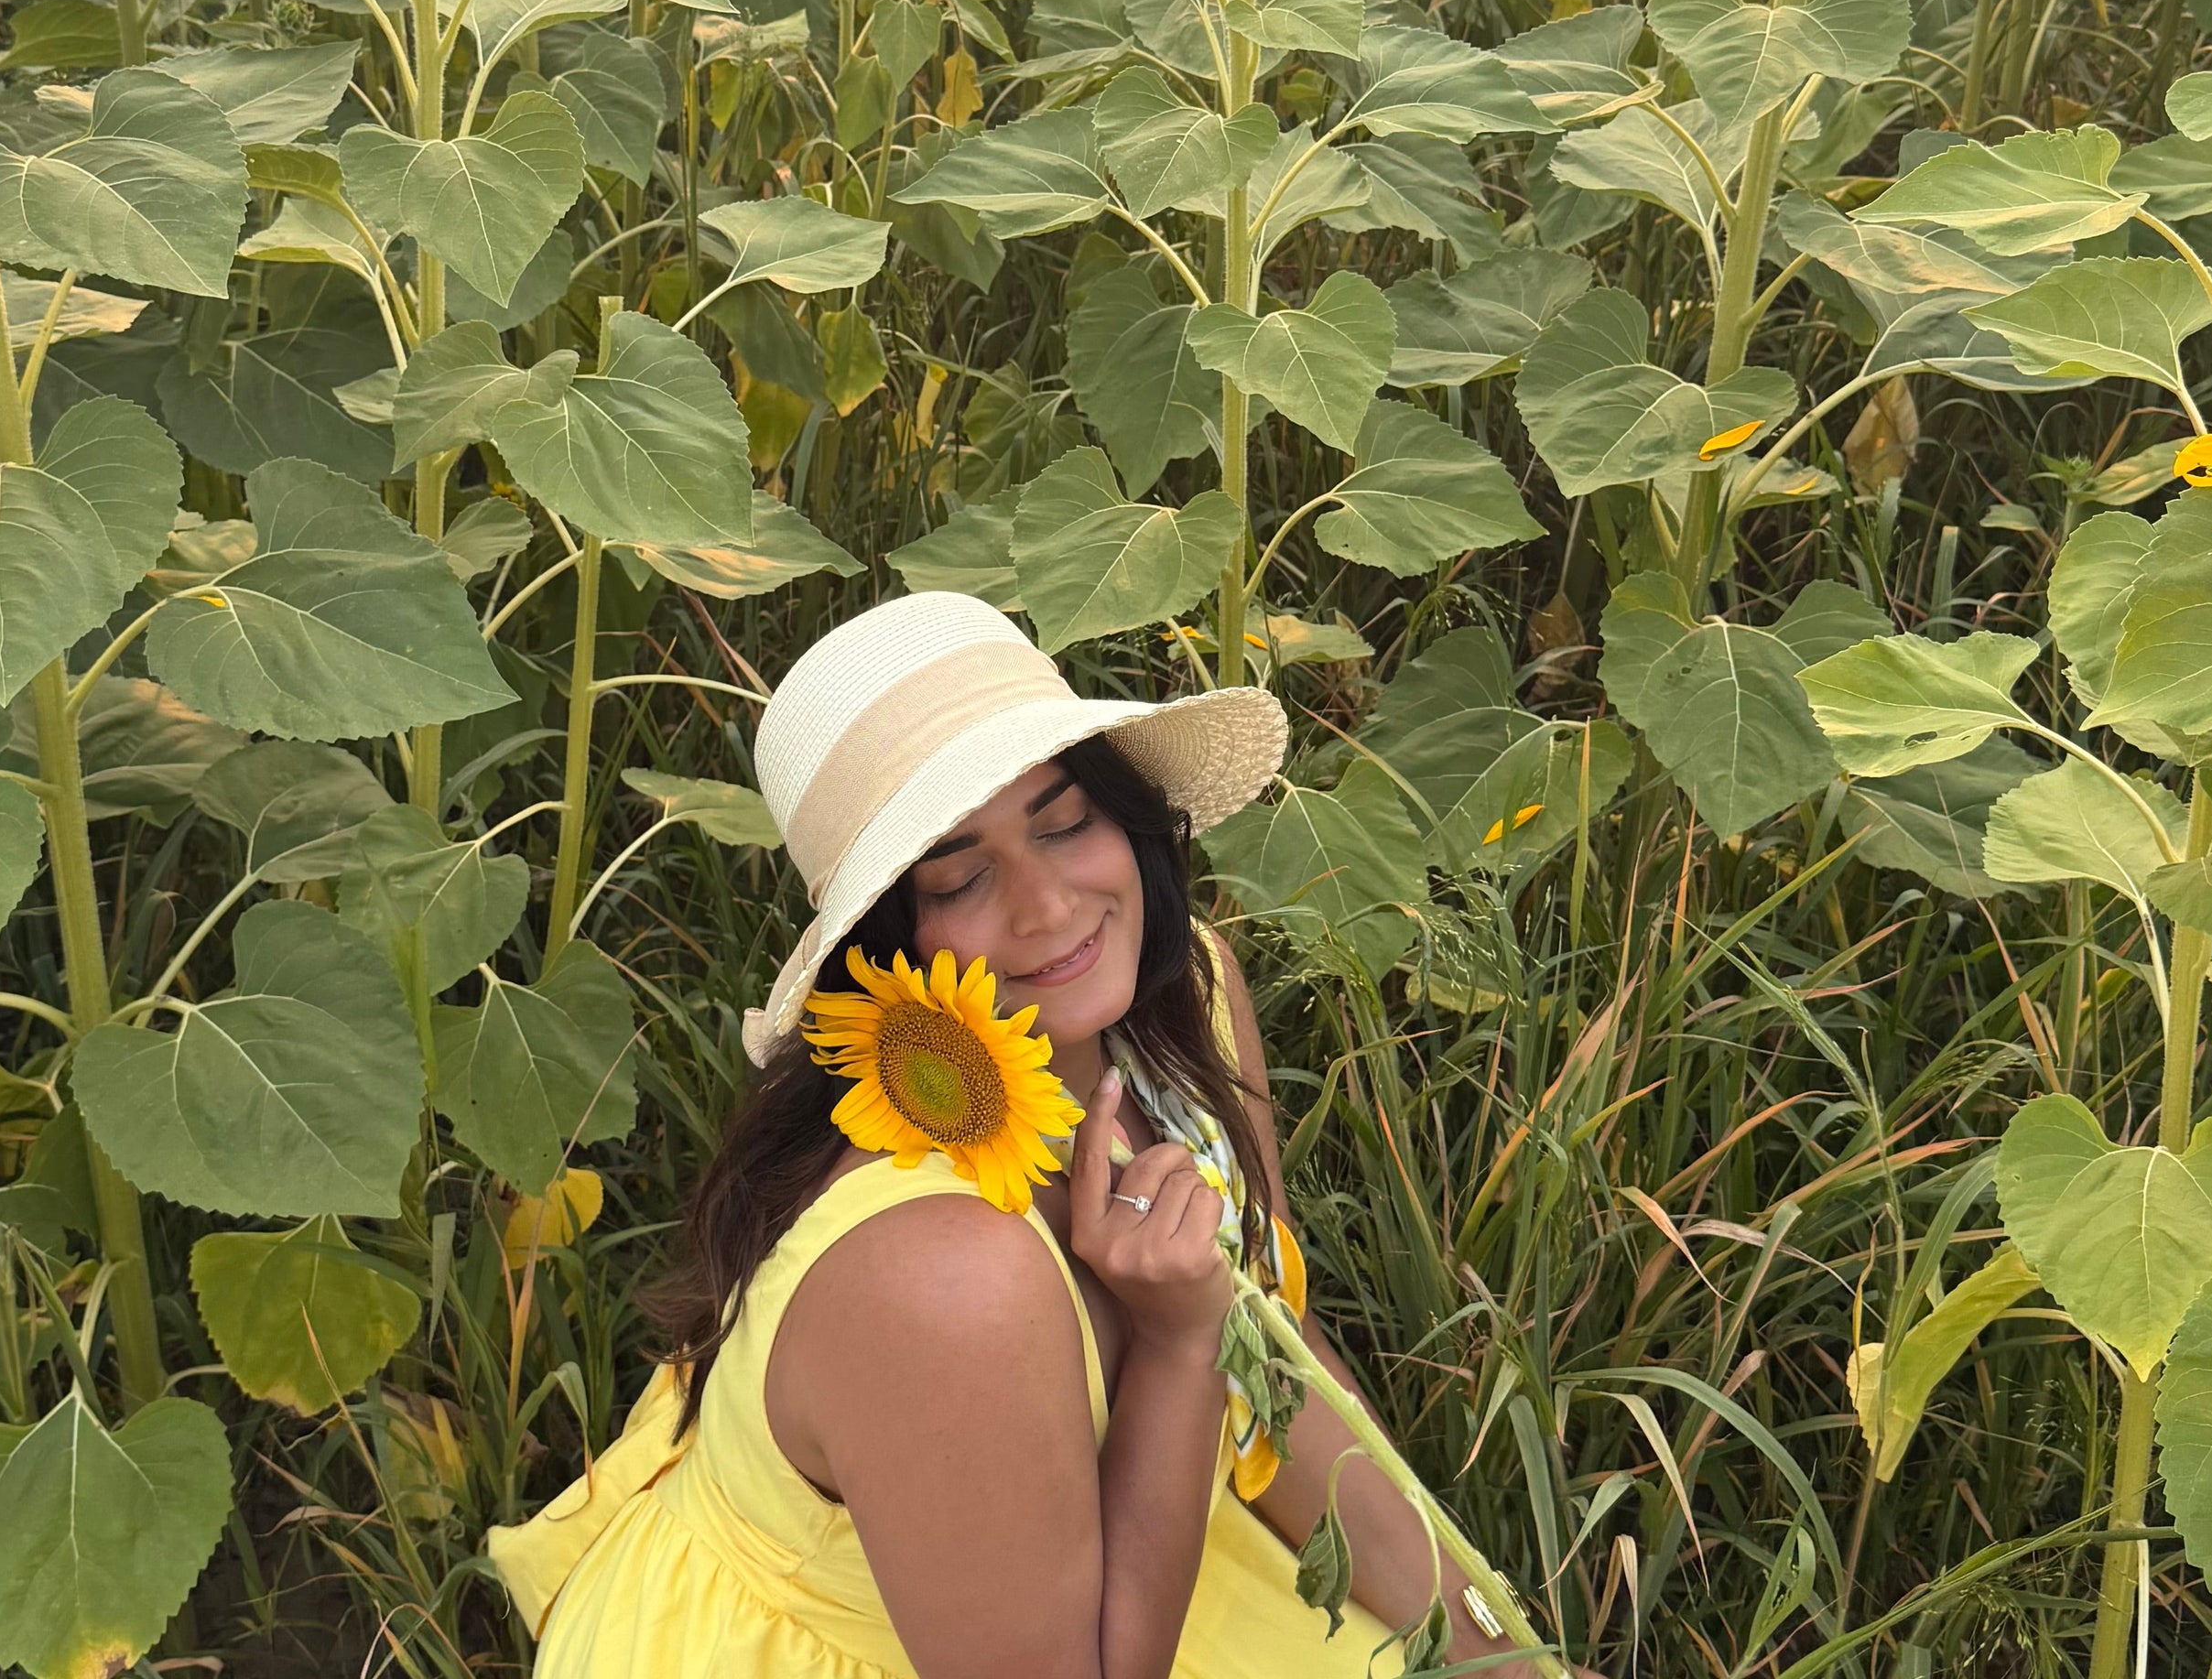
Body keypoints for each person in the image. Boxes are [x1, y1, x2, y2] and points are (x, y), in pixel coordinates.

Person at [491, 590, 1519, 1676]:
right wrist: (1170, 1342)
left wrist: (1495, 1650)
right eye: (957, 874)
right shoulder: (939, 1269)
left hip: (1118, 1550)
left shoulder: (1189, 999)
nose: (1045, 908)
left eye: (1064, 819)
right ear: (884, 942)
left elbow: (1266, 1344)